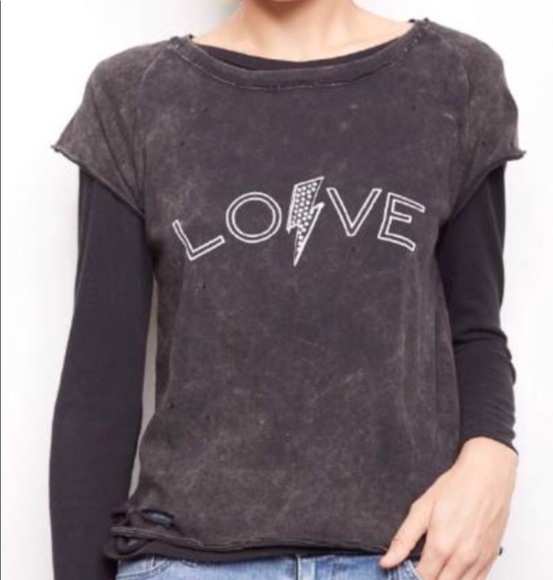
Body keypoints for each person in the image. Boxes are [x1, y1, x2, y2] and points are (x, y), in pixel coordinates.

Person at [49, 1, 526, 579]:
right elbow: (99, 382)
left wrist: (492, 458)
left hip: (400, 555)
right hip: (190, 561)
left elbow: (473, 327)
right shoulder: (134, 93)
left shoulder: (456, 76)